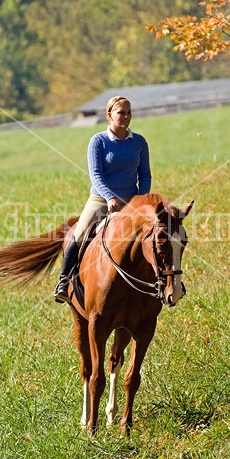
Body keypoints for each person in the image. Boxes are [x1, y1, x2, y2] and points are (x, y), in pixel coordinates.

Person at [54, 95, 152, 303]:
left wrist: (141, 200)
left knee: (157, 234)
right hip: (101, 199)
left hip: (132, 202)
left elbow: (144, 175)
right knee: (79, 234)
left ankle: (163, 280)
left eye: (128, 112)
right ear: (109, 115)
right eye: (120, 113)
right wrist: (109, 198)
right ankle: (64, 281)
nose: (125, 116)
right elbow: (96, 175)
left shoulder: (140, 142)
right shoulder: (98, 141)